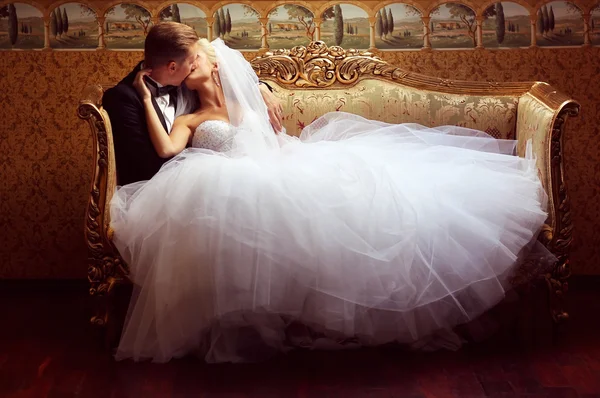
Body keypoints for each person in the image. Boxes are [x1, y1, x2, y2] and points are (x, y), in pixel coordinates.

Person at [111, 38, 554, 363]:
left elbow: (260, 113)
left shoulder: (251, 100)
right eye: (185, 66)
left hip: (276, 165)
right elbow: (168, 150)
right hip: (221, 182)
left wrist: (261, 88)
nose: (189, 68)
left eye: (196, 62)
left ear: (215, 65)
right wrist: (148, 97)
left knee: (351, 201)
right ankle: (255, 322)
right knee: (250, 208)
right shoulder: (188, 115)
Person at [102, 22, 283, 185]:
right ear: (173, 67)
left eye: (198, 57)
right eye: (192, 60)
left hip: (265, 175)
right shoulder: (125, 98)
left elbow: (239, 76)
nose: (194, 64)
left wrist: (260, 87)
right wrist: (146, 98)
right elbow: (151, 162)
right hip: (189, 186)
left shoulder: (181, 83)